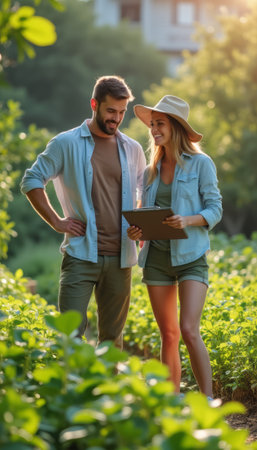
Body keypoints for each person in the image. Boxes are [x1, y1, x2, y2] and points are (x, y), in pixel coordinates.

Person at [21, 75, 146, 348]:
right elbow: (31, 180)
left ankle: (106, 392)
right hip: (80, 254)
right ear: (94, 104)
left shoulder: (133, 149)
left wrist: (140, 223)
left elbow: (143, 191)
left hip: (121, 258)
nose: (116, 118)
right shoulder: (66, 143)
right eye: (110, 111)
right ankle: (71, 390)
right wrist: (56, 221)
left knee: (112, 342)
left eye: (121, 112)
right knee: (70, 336)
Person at [127, 95, 222, 397]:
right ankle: (172, 401)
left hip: (191, 256)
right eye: (152, 124)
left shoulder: (201, 164)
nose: (154, 129)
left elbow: (215, 208)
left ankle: (208, 402)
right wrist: (136, 230)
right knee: (168, 334)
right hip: (156, 257)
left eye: (160, 124)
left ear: (176, 126)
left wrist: (188, 221)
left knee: (189, 330)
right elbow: (144, 212)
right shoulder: (149, 172)